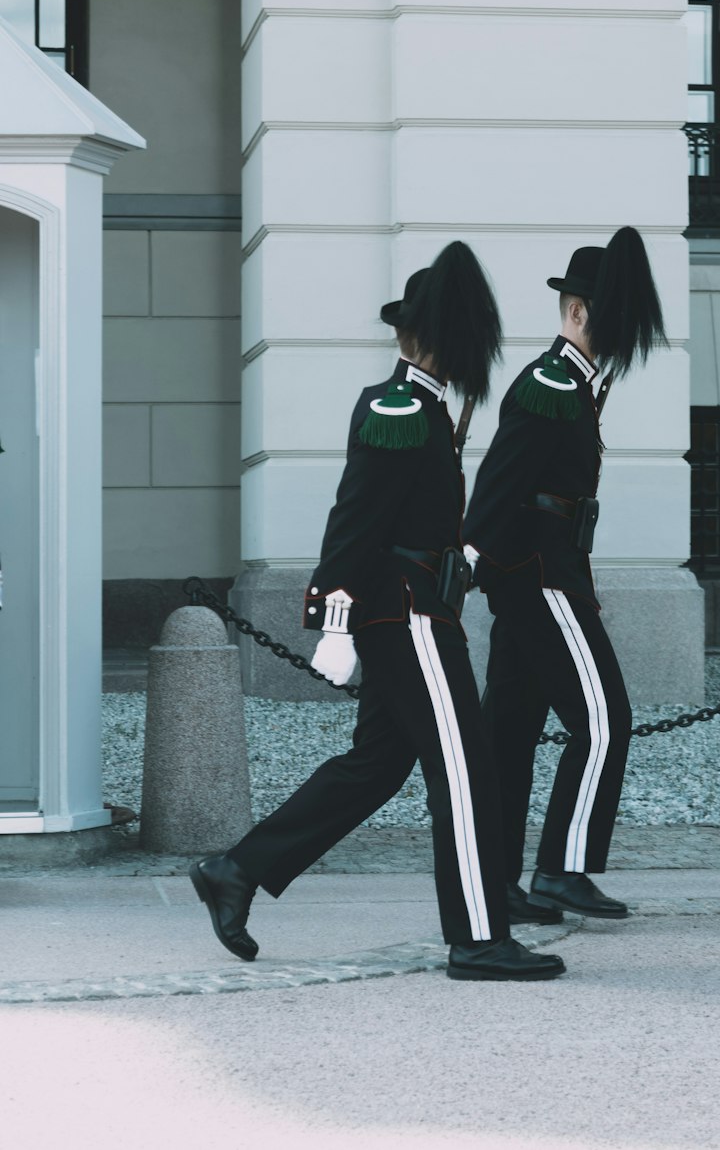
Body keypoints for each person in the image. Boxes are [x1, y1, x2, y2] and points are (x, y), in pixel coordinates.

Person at [190, 243, 565, 981]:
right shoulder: (400, 407)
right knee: (465, 769)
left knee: (376, 767)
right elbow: (354, 524)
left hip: (421, 612)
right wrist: (333, 621)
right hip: (407, 618)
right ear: (427, 339)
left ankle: (236, 871)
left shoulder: (425, 409)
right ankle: (478, 936)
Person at [464, 227, 665, 924]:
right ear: (577, 311)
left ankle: (494, 885)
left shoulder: (572, 385)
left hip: (543, 574)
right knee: (605, 722)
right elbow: (498, 487)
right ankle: (561, 869)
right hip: (539, 578)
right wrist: (478, 562)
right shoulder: (553, 385)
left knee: (510, 734)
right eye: (607, 319)